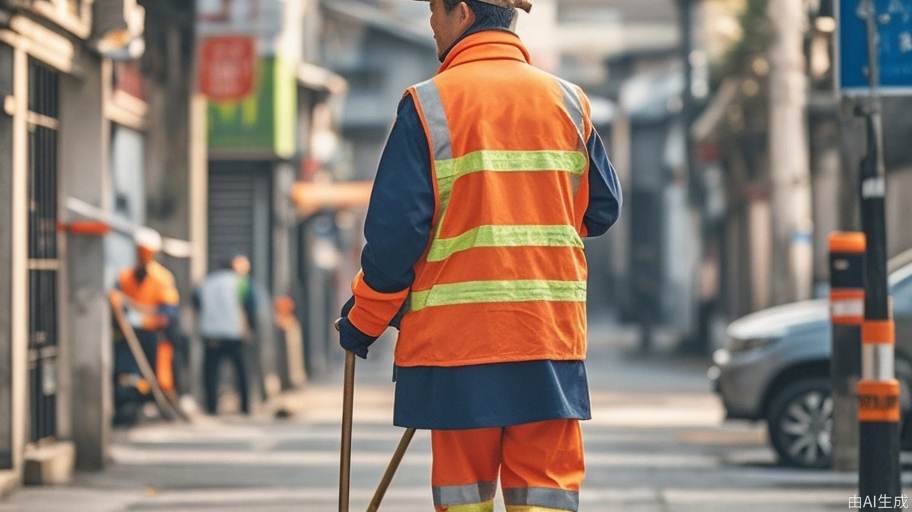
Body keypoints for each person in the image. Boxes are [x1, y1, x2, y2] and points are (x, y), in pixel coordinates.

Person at [336, 1, 623, 510]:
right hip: (548, 345)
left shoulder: (428, 106)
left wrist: (365, 319)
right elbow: (603, 210)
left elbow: (395, 237)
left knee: (464, 497)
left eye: (434, 13)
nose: (430, 25)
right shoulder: (568, 102)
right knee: (545, 496)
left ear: (462, 12)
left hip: (459, 350)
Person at [114, 228, 182, 395]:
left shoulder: (162, 278)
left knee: (159, 373)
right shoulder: (125, 276)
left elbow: (168, 311)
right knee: (128, 372)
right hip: (129, 333)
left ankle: (162, 397)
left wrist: (142, 314)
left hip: (154, 334)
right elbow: (117, 300)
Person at [194, 255, 257, 415]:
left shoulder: (206, 282)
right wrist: (250, 329)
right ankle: (245, 407)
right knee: (241, 371)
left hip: (211, 333)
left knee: (211, 372)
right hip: (234, 333)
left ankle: (211, 406)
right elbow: (249, 306)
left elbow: (196, 303)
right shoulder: (241, 282)